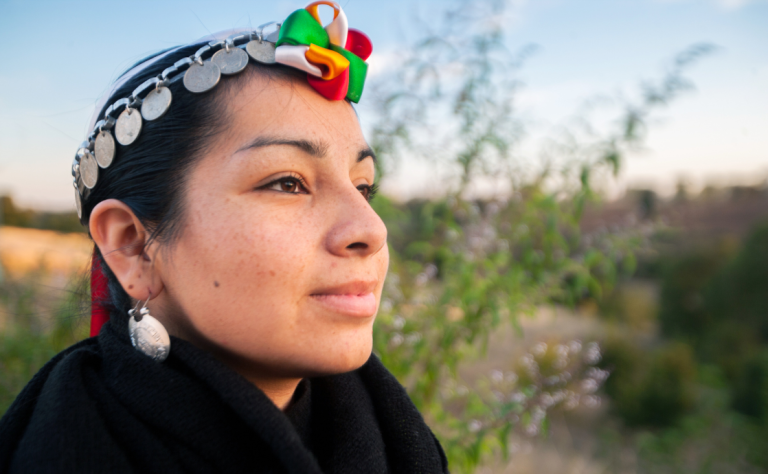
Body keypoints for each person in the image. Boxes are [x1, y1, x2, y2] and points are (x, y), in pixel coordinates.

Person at [0, 2, 449, 472]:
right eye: (287, 183)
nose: (371, 230)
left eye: (363, 188)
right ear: (133, 245)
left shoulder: (396, 440)